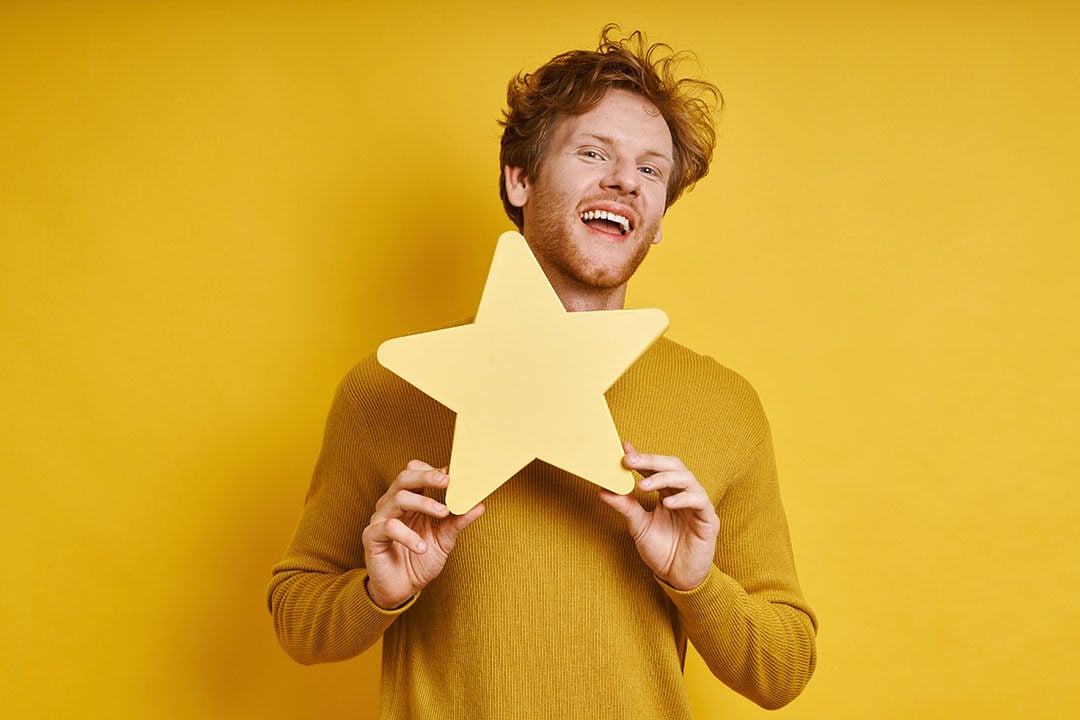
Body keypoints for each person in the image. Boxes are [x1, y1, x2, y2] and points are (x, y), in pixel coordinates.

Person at [268, 26, 817, 719]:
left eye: (651, 170)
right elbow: (297, 616)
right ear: (519, 178)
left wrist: (697, 581)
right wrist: (379, 592)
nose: (624, 180)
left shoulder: (723, 403)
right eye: (594, 153)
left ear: (658, 220)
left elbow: (784, 669)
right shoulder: (386, 389)